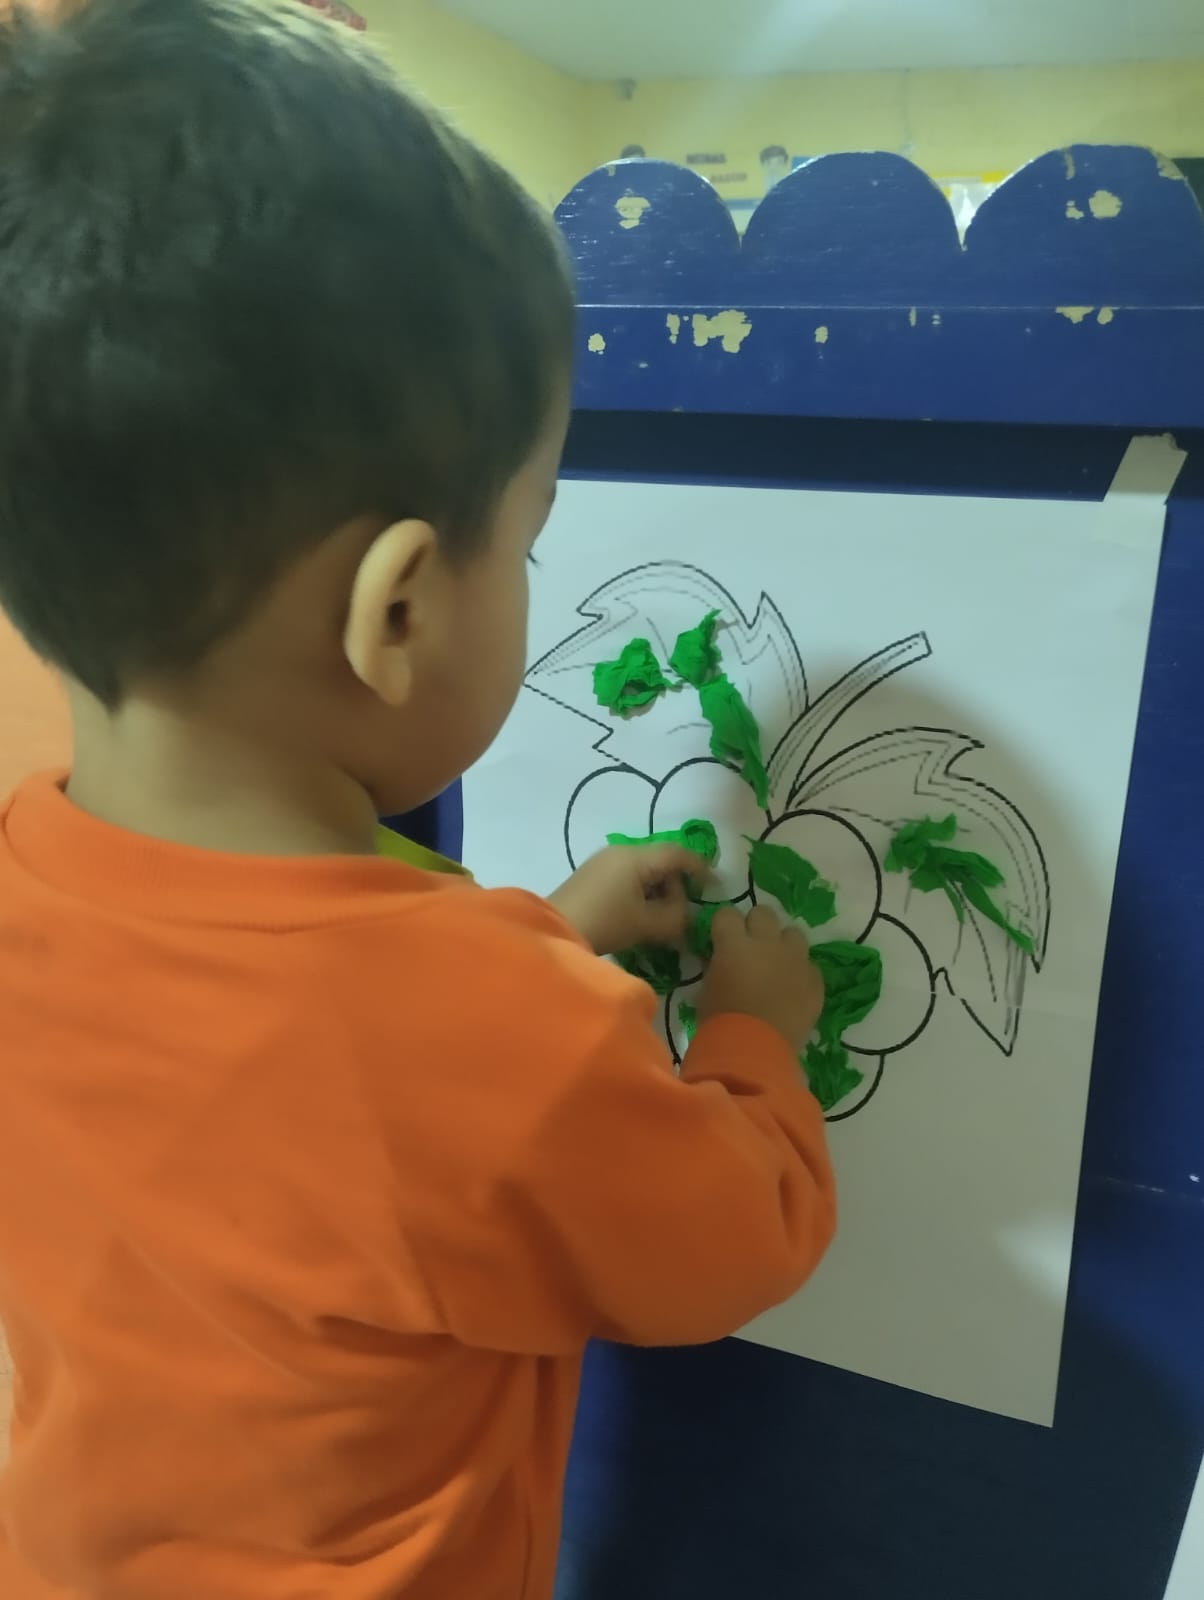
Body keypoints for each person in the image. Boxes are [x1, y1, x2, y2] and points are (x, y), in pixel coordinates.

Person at [0, 2, 836, 1597]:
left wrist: (534, 949)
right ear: (396, 612)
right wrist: (753, 1037)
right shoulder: (495, 1046)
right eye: (526, 541)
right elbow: (727, 1244)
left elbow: (278, 1093)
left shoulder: (27, 871)